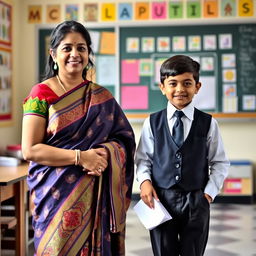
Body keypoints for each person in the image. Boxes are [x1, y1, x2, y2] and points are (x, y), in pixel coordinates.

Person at [22, 20, 136, 256]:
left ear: (88, 54)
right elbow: (30, 149)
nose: (75, 54)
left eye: (81, 48)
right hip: (53, 196)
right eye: (67, 48)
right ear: (53, 54)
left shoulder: (101, 96)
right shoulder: (41, 94)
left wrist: (105, 154)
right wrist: (80, 157)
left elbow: (123, 139)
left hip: (94, 195)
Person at [135, 55, 229, 256]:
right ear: (162, 87)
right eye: (172, 83)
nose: (180, 89)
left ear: (197, 86)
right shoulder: (151, 123)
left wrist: (208, 194)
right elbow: (143, 160)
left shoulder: (208, 123)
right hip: (160, 199)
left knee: (193, 251)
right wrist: (144, 183)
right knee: (163, 251)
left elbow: (220, 162)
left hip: (196, 199)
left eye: (187, 83)